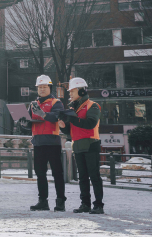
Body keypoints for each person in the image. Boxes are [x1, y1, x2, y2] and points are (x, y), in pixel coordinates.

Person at [59, 77, 104, 214]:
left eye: (73, 91)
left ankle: (98, 205)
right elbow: (70, 130)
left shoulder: (93, 105)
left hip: (91, 144)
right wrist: (62, 126)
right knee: (82, 177)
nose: (70, 93)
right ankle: (85, 204)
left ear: (82, 91)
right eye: (70, 91)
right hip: (77, 145)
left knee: (94, 176)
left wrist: (72, 118)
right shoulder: (73, 108)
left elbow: (90, 124)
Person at [27, 75, 67, 212]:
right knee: (40, 173)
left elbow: (57, 116)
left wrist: (43, 114)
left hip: (52, 142)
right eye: (40, 87)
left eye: (45, 87)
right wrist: (22, 123)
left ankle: (60, 201)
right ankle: (43, 201)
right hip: (38, 142)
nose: (42, 89)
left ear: (50, 88)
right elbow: (28, 123)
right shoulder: (33, 104)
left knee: (57, 173)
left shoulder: (57, 102)